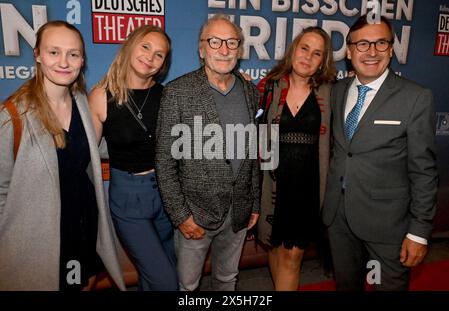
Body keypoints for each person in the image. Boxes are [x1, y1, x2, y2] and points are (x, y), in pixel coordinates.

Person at [0, 20, 125, 291]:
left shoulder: (82, 102)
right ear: (37, 55)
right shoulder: (13, 115)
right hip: (42, 240)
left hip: (85, 224)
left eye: (73, 54)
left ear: (82, 59)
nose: (64, 62)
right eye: (54, 52)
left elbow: (96, 148)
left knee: (85, 284)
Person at [322, 14, 438, 291]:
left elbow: (424, 171)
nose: (371, 52)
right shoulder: (336, 92)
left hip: (388, 226)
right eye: (362, 44)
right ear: (349, 52)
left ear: (391, 49)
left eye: (380, 43)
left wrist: (419, 233)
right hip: (338, 220)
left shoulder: (416, 97)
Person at [155, 14, 260, 291]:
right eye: (215, 42)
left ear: (239, 49)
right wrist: (181, 216)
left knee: (227, 279)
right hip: (196, 213)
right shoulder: (177, 92)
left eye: (231, 42)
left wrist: (255, 203)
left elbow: (253, 153)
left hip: (239, 209)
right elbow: (165, 161)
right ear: (201, 49)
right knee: (187, 286)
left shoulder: (250, 91)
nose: (224, 49)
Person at [88, 25, 178, 291]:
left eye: (159, 54)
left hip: (166, 193)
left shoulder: (167, 96)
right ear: (130, 46)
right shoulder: (101, 97)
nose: (150, 57)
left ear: (163, 64)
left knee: (161, 273)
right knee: (166, 282)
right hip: (128, 199)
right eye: (146, 47)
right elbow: (89, 159)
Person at [256, 27, 335, 291]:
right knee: (276, 249)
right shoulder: (269, 86)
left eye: (317, 53)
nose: (308, 57)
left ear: (323, 61)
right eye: (304, 48)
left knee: (292, 257)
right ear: (294, 49)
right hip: (273, 184)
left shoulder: (329, 92)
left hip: (307, 187)